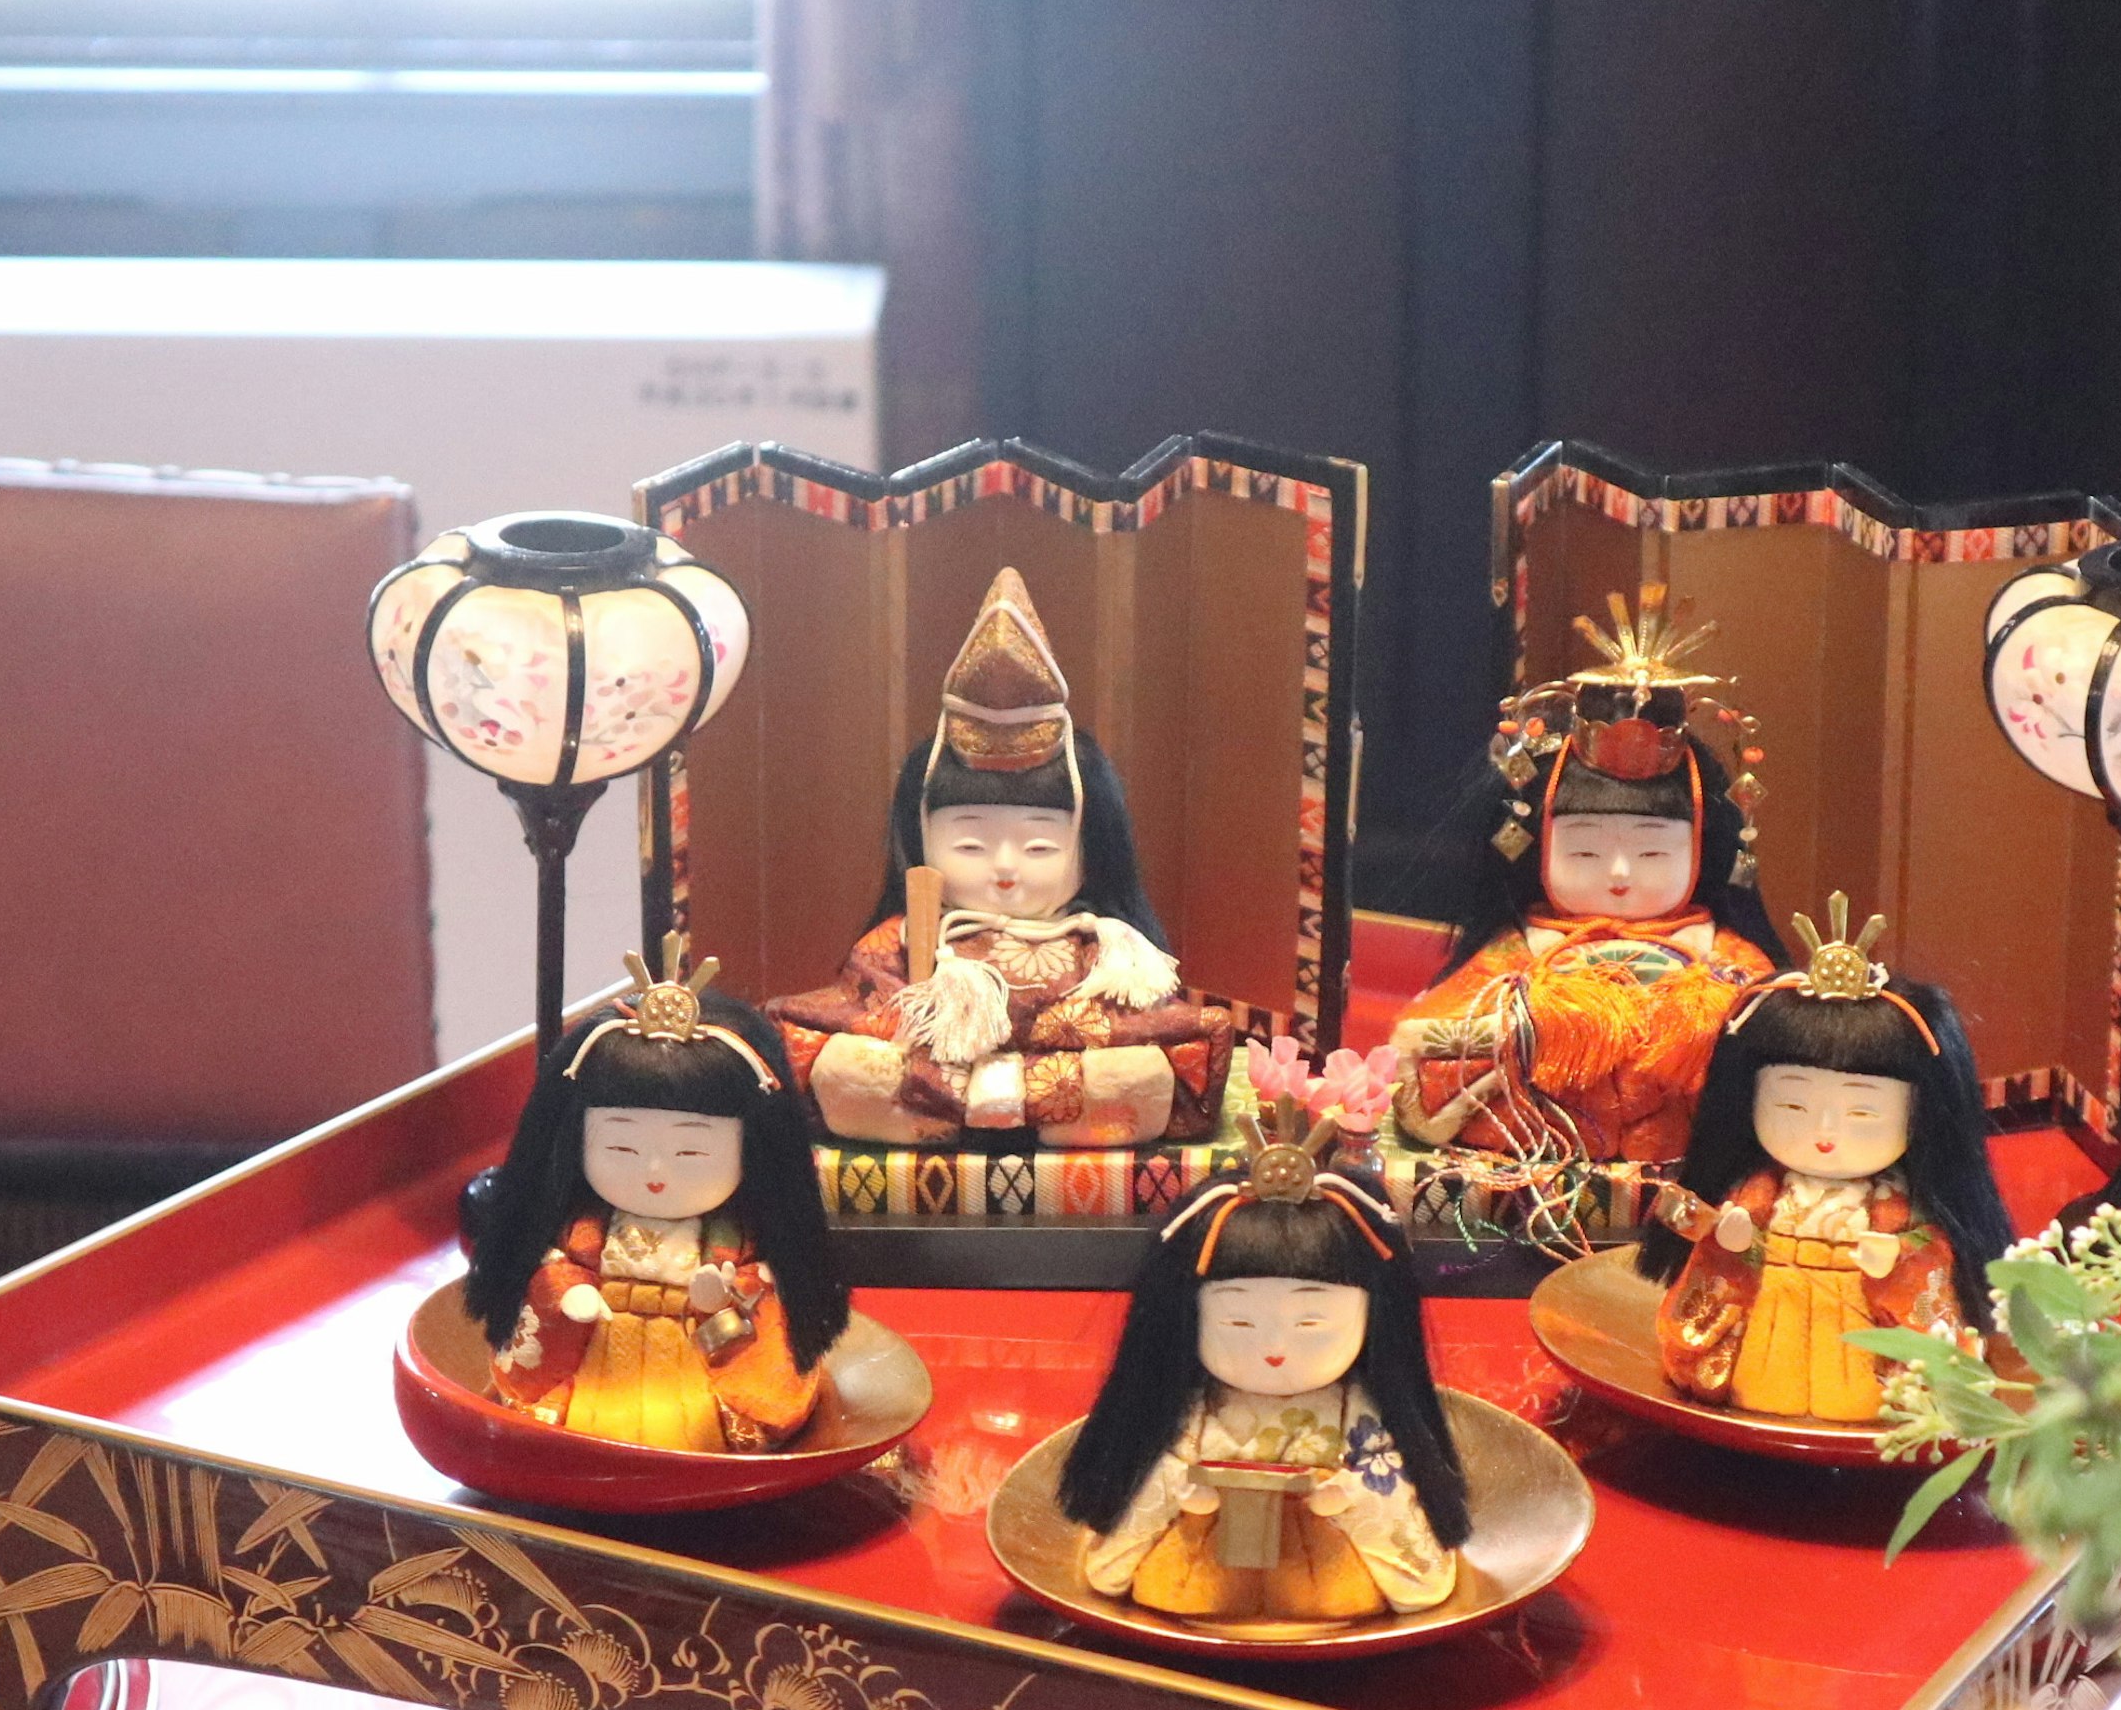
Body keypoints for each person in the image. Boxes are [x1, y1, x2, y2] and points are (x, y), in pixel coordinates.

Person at [766, 567, 1237, 1149]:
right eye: (970, 845)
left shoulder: (1106, 948)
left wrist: (1016, 1067)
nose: (1005, 867)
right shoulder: (909, 940)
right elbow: (859, 1012)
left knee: (1141, 1072)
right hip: (958, 1092)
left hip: (1046, 1094)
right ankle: (994, 1113)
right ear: (920, 845)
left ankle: (999, 1112)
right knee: (841, 1062)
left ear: (1093, 850)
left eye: (1040, 846)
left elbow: (1154, 1025)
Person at [1058, 1043, 1469, 1622]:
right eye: (1237, 1321)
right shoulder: (1192, 1411)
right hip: (1202, 1562)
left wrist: (1346, 1499)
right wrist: (1182, 1490)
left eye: (1312, 1322)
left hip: (1329, 1563)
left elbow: (1397, 1529)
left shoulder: (1358, 1414)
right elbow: (1136, 1518)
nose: (1274, 1348)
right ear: (1186, 1316)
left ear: (1372, 1316)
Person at [1389, 585, 1782, 1174]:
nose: (1620, 875)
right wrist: (1540, 1020)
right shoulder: (1518, 953)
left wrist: (1695, 1024)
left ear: (1702, 857)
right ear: (1533, 850)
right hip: (1540, 1146)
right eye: (1587, 853)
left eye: (1652, 854)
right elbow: (1431, 1042)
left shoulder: (1722, 956)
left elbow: (1779, 1045)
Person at [467, 945, 851, 1452]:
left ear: (754, 1149)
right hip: (600, 1352)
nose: (654, 1173)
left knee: (698, 1420)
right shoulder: (587, 1230)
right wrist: (567, 1295)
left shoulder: (733, 1238)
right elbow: (557, 1272)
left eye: (691, 1151)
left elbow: (757, 1296)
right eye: (621, 1146)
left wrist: (722, 1305)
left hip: (697, 1356)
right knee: (592, 1417)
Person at [1640, 899, 2010, 1424]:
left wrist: (1899, 1259)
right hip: (1774, 1311)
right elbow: (1711, 1247)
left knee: (1861, 1389)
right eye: (1792, 1105)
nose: (1825, 1133)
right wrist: (1731, 1241)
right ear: (1749, 1100)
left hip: (1860, 1323)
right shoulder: (1759, 1191)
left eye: (1863, 1111)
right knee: (1765, 1374)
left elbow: (1929, 1266)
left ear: (1920, 1111)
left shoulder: (1898, 1209)